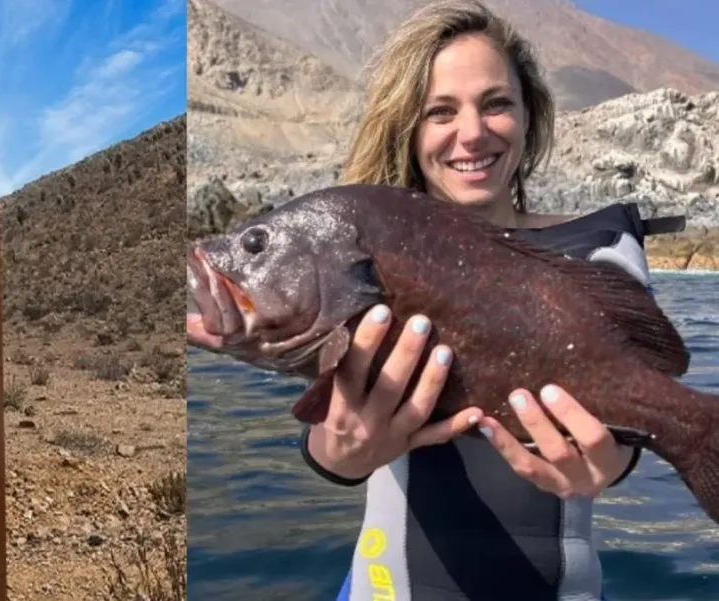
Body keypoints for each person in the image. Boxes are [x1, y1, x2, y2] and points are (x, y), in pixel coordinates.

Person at [185, 1, 685, 600]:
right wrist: (338, 450)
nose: (471, 132)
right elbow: (335, 435)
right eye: (439, 112)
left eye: (496, 102)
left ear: (530, 115)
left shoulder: (599, 246)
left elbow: (637, 388)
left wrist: (615, 461)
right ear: (410, 128)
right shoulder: (367, 255)